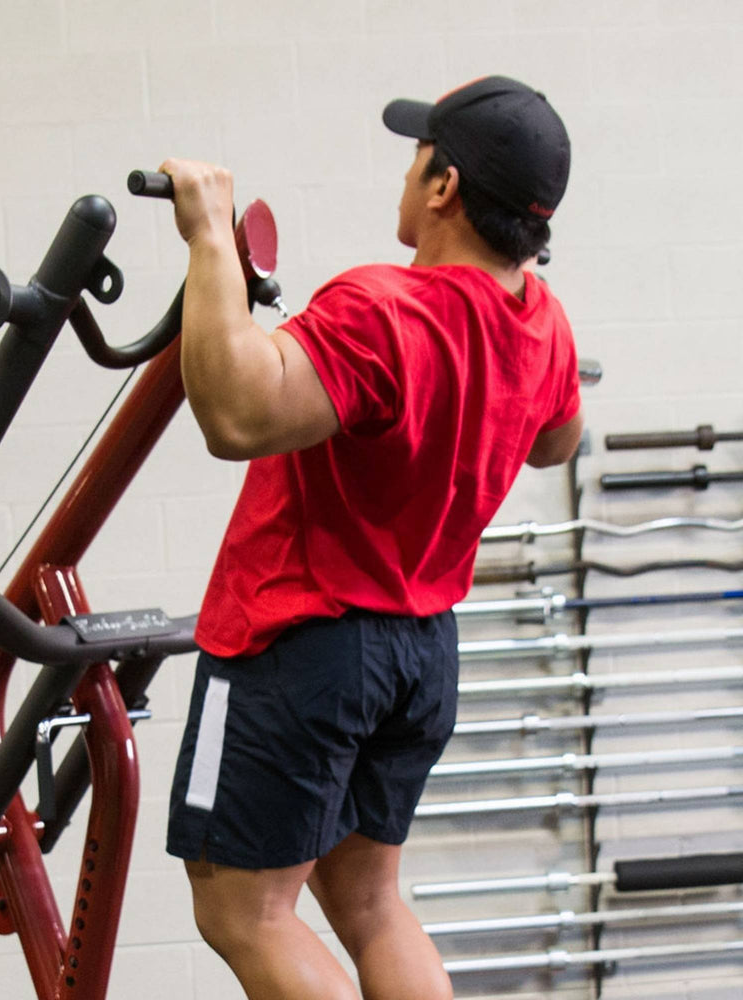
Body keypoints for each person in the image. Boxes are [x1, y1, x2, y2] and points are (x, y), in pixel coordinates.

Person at [158, 75, 583, 1000]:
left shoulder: (386, 309)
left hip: (296, 648)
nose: (407, 172)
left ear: (444, 188)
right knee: (368, 901)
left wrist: (206, 237)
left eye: (417, 155)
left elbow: (234, 413)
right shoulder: (540, 323)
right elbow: (558, 440)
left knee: (241, 908)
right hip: (420, 660)